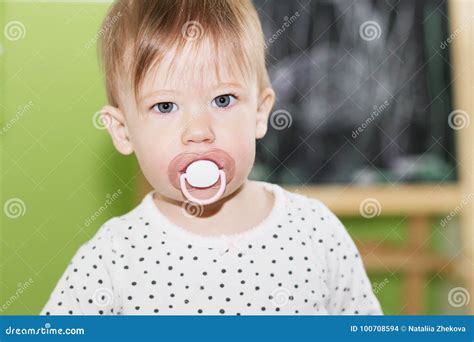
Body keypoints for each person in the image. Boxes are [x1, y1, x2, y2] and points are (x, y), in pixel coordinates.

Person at [41, 0, 383, 316]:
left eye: (222, 100)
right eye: (165, 106)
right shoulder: (112, 258)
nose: (199, 130)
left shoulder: (314, 232)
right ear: (123, 131)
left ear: (260, 113)